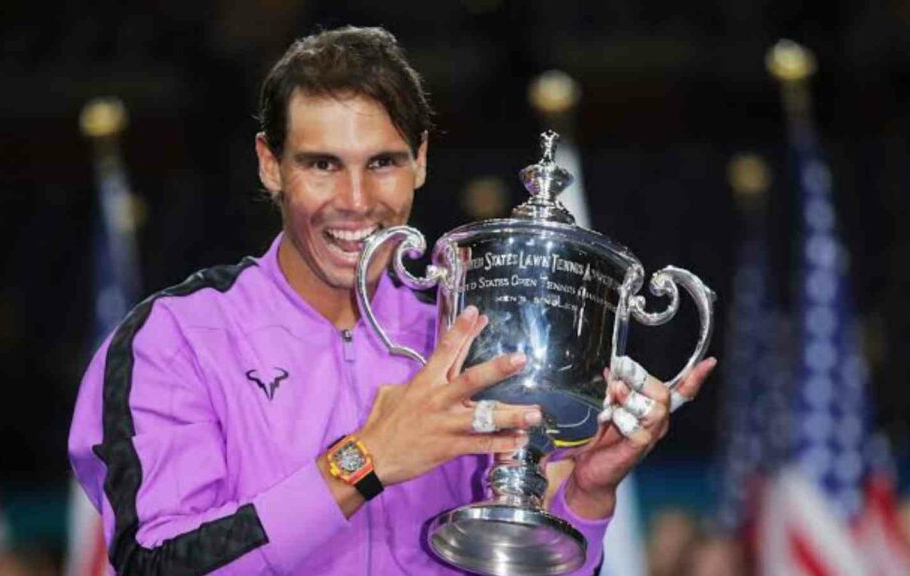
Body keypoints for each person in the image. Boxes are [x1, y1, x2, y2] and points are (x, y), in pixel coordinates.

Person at [68, 25, 716, 575]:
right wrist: (365, 460)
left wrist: (585, 496)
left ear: (421, 160)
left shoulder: (472, 328)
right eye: (322, 164)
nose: (354, 199)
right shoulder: (175, 339)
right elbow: (157, 562)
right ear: (271, 165)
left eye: (382, 162)